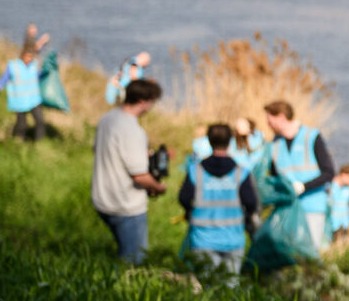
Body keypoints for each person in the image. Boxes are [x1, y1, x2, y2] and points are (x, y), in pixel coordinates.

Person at [92, 78, 167, 263]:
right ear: (143, 102)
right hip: (126, 207)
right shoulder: (133, 130)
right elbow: (140, 176)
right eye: (152, 102)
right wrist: (159, 188)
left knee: (123, 252)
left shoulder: (107, 118)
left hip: (102, 199)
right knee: (134, 262)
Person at [179, 123, 260, 270]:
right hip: (233, 239)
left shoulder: (195, 170)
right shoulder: (241, 172)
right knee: (230, 282)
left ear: (209, 141)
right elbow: (251, 203)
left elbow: (183, 198)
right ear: (230, 142)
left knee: (205, 282)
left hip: (202, 238)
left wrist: (190, 211)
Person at [263, 99, 336, 250]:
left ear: (281, 117)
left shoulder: (311, 137)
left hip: (312, 208)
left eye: (270, 120)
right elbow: (274, 177)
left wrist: (303, 186)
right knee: (286, 254)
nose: (268, 124)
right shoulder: (274, 144)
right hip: (286, 209)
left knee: (309, 254)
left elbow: (329, 172)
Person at [0, 42, 46, 141]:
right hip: (19, 101)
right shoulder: (13, 65)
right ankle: (19, 142)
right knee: (22, 125)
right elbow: (5, 77)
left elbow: (39, 76)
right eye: (27, 56)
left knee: (40, 121)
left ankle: (40, 142)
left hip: (33, 99)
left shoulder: (34, 65)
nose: (29, 59)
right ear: (22, 55)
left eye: (31, 56)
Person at [327, 164, 349, 242]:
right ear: (343, 174)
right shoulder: (329, 186)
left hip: (344, 223)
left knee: (344, 242)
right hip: (331, 223)